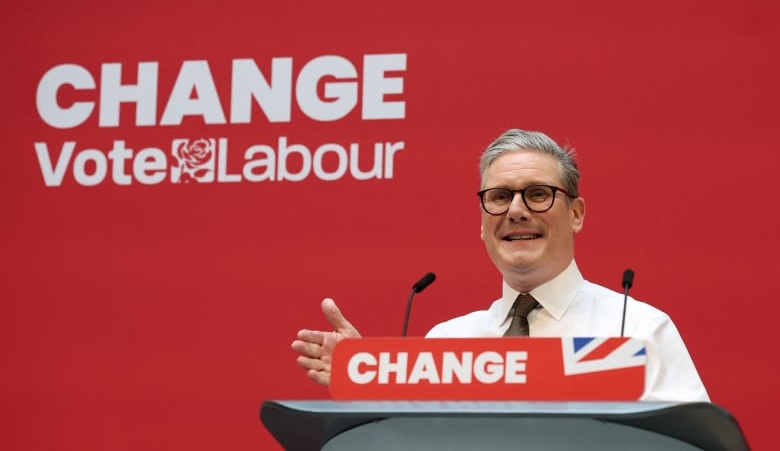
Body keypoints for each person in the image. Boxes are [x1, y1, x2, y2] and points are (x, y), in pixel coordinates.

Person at [292, 128, 709, 402]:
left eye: (538, 194)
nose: (516, 211)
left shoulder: (636, 333)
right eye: (498, 197)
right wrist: (369, 378)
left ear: (577, 214)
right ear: (481, 220)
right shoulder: (445, 343)